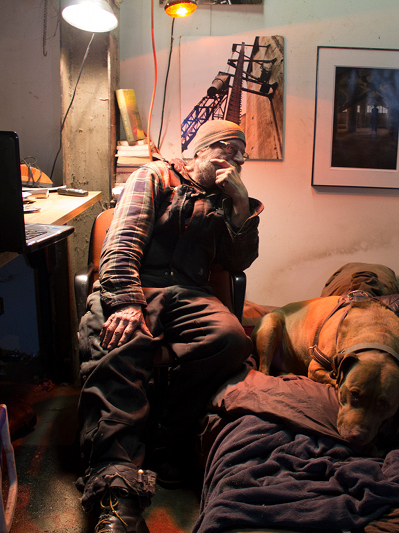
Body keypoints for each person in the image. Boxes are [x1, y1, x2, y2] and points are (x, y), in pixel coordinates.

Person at [75, 120, 262, 533]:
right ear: (201, 150)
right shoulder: (156, 175)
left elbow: (237, 262)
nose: (236, 159)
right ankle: (116, 492)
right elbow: (123, 239)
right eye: (227, 148)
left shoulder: (227, 199)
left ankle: (166, 435)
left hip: (190, 293)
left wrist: (240, 205)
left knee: (231, 340)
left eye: (242, 154)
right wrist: (126, 302)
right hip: (136, 284)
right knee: (117, 348)